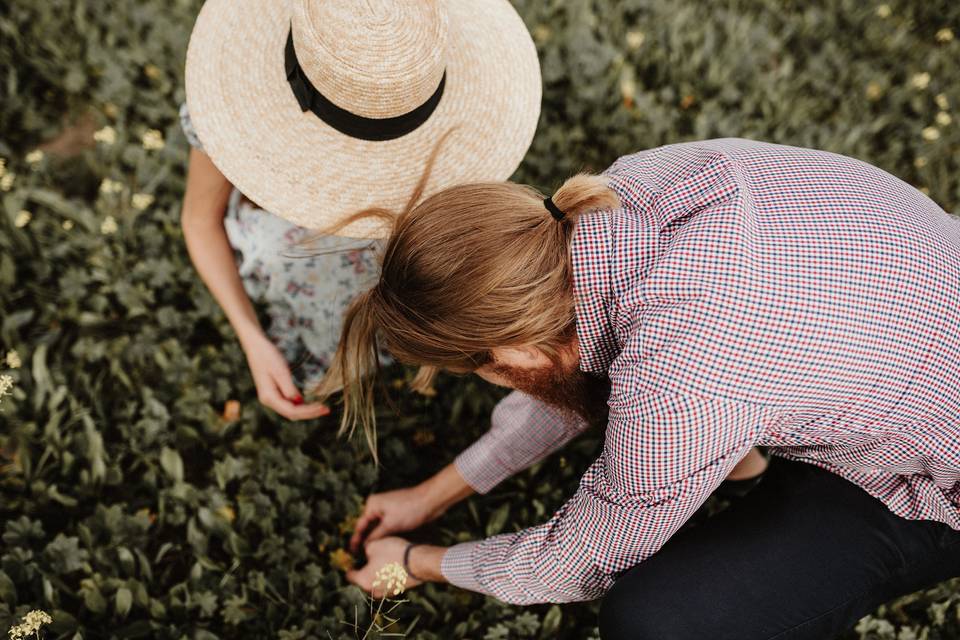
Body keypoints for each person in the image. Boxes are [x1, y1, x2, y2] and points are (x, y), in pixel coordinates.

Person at [178, 0, 772, 553]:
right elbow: (199, 222)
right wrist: (253, 340)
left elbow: (580, 543)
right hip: (298, 267)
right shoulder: (238, 112)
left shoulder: (450, 149)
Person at [323, 138, 960, 639]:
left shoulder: (679, 376)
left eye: (478, 370)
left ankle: (764, 475)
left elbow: (576, 562)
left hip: (934, 475)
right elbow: (574, 363)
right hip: (897, 336)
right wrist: (431, 496)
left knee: (658, 622)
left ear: (514, 350)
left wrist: (413, 563)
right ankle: (743, 457)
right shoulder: (629, 189)